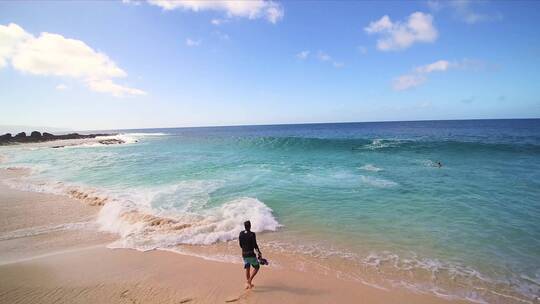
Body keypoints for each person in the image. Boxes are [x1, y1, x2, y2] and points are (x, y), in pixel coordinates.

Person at [239, 220, 262, 289]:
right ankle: (249, 281)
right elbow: (255, 245)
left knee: (247, 268)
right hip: (251, 254)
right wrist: (259, 253)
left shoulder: (241, 233)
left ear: (244, 226)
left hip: (244, 254)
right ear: (250, 226)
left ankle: (249, 284)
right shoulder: (252, 234)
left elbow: (240, 245)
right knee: (257, 267)